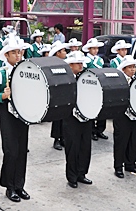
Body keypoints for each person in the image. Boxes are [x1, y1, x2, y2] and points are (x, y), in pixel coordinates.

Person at [0, 37, 30, 202]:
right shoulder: (0, 74)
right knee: (11, 151)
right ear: (6, 55)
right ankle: (9, 187)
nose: (18, 56)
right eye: (14, 53)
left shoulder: (26, 71)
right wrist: (3, 96)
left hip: (23, 115)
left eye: (19, 52)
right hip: (8, 115)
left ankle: (20, 185)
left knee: (22, 151)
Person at [62, 51, 93, 188]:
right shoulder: (65, 79)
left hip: (86, 116)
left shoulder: (86, 77)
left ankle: (82, 173)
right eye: (78, 63)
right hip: (71, 117)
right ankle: (72, 176)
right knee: (73, 147)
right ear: (70, 65)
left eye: (82, 63)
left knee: (85, 146)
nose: (81, 65)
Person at [113, 55, 136, 178]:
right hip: (122, 115)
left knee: (134, 140)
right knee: (121, 141)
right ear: (124, 69)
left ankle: (131, 163)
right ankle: (118, 166)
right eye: (130, 67)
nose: (133, 69)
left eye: (134, 67)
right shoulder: (118, 81)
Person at [82, 38, 108, 141]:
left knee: (102, 108)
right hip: (90, 86)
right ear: (89, 49)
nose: (96, 50)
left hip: (100, 85)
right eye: (93, 48)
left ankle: (100, 130)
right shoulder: (86, 60)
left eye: (97, 48)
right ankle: (92, 130)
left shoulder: (100, 60)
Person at [48, 40, 69, 150]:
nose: (65, 52)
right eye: (63, 51)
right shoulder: (52, 65)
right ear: (57, 53)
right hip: (57, 93)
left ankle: (63, 138)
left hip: (66, 92)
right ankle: (56, 139)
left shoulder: (66, 63)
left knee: (65, 117)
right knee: (57, 118)